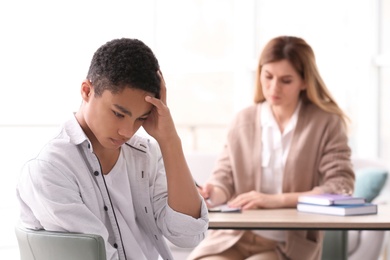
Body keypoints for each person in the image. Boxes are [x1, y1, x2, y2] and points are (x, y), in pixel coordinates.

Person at [16, 38, 209, 260]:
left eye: (141, 118)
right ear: (87, 91)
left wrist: (170, 141)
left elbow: (188, 236)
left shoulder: (145, 154)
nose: (127, 131)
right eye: (118, 114)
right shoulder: (50, 169)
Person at [188, 36, 354, 260]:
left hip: (286, 245)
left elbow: (340, 186)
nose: (274, 87)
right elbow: (223, 179)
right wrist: (211, 192)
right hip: (232, 238)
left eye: (286, 80)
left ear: (304, 82)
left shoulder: (326, 123)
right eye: (268, 77)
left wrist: (275, 200)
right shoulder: (243, 120)